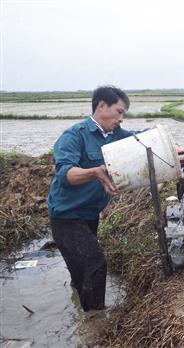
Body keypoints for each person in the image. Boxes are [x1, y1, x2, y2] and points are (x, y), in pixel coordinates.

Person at [47, 86, 136, 311]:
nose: (121, 118)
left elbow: (140, 139)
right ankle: (95, 322)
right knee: (94, 264)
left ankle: (80, 309)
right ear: (102, 106)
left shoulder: (115, 135)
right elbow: (66, 174)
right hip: (67, 216)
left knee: (80, 270)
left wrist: (172, 144)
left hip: (89, 214)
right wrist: (94, 172)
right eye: (119, 111)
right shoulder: (74, 135)